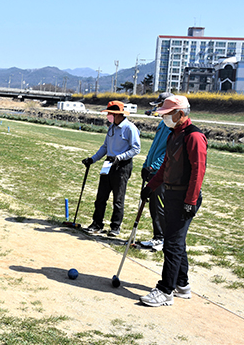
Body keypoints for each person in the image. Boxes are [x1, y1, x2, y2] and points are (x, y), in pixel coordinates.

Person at [139, 95, 207, 307]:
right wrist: (150, 187)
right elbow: (165, 166)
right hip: (171, 194)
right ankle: (182, 285)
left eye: (168, 114)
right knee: (176, 241)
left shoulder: (193, 136)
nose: (165, 118)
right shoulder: (173, 135)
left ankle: (165, 290)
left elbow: (198, 171)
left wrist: (191, 200)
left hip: (185, 197)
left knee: (172, 244)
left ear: (181, 113)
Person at [81, 101, 141, 237]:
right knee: (101, 196)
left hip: (122, 166)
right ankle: (97, 224)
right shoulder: (111, 128)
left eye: (110, 113)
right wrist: (93, 159)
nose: (108, 116)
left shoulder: (130, 128)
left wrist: (119, 158)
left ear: (117, 114)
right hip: (108, 164)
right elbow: (105, 147)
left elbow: (136, 149)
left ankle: (115, 227)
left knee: (118, 199)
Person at [139, 92, 174, 251]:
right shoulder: (162, 124)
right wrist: (146, 164)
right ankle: (157, 236)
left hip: (161, 173)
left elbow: (167, 152)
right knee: (153, 205)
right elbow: (154, 148)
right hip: (152, 170)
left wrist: (154, 166)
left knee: (159, 206)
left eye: (160, 106)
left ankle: (162, 238)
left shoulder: (171, 126)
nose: (158, 109)